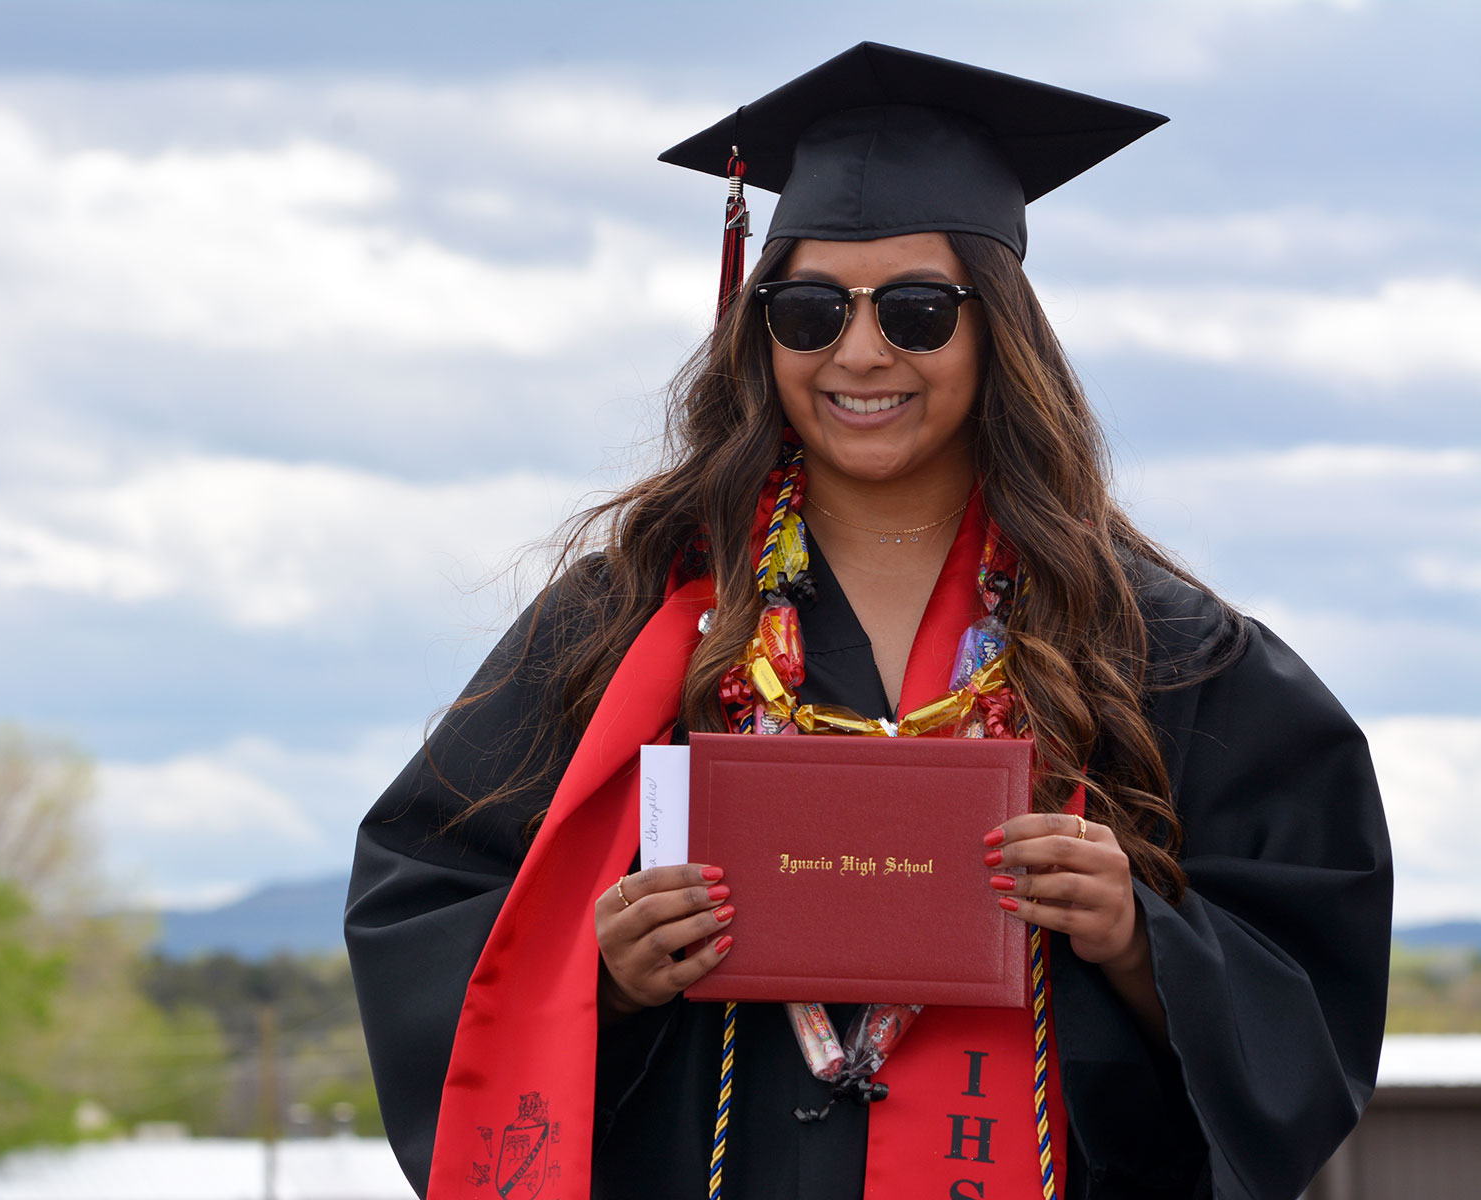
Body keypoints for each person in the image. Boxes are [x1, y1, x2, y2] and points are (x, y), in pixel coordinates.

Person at [345, 42, 1391, 1200]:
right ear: (761, 330)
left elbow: (1309, 973)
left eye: (916, 311)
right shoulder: (627, 619)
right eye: (807, 310)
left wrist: (1142, 941)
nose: (857, 351)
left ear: (998, 327)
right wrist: (600, 976)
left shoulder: (1151, 646)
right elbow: (424, 900)